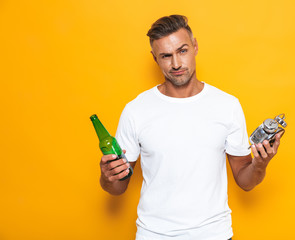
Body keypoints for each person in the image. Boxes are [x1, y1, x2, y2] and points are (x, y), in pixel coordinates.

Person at [99, 15, 282, 240]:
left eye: (182, 51)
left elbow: (245, 181)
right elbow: (117, 188)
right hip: (154, 234)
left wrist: (261, 164)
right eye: (166, 55)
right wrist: (107, 177)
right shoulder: (136, 110)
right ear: (155, 58)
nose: (176, 63)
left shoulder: (227, 105)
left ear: (195, 46)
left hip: (213, 234)